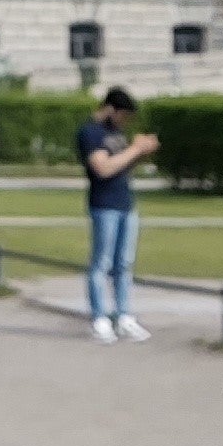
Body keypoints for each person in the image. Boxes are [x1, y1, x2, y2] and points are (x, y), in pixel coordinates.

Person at [76, 86, 159, 343]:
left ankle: (123, 316)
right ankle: (99, 317)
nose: (125, 122)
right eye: (123, 115)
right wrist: (134, 149)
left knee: (124, 263)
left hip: (125, 202)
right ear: (110, 109)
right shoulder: (91, 132)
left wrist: (140, 153)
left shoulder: (117, 134)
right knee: (102, 262)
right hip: (104, 205)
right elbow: (102, 168)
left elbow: (121, 166)